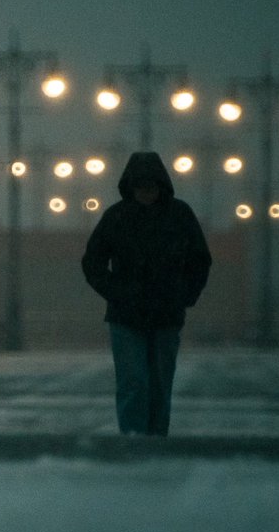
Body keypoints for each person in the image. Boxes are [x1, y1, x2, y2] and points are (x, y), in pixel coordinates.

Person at [81, 151, 211, 436]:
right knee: (135, 381)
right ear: (132, 186)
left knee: (156, 383)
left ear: (160, 186)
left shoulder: (173, 215)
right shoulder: (126, 217)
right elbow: (92, 262)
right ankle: (138, 439)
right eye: (141, 186)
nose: (146, 192)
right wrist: (182, 295)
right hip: (134, 315)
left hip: (156, 314)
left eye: (150, 187)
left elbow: (200, 261)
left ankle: (148, 439)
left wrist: (183, 295)